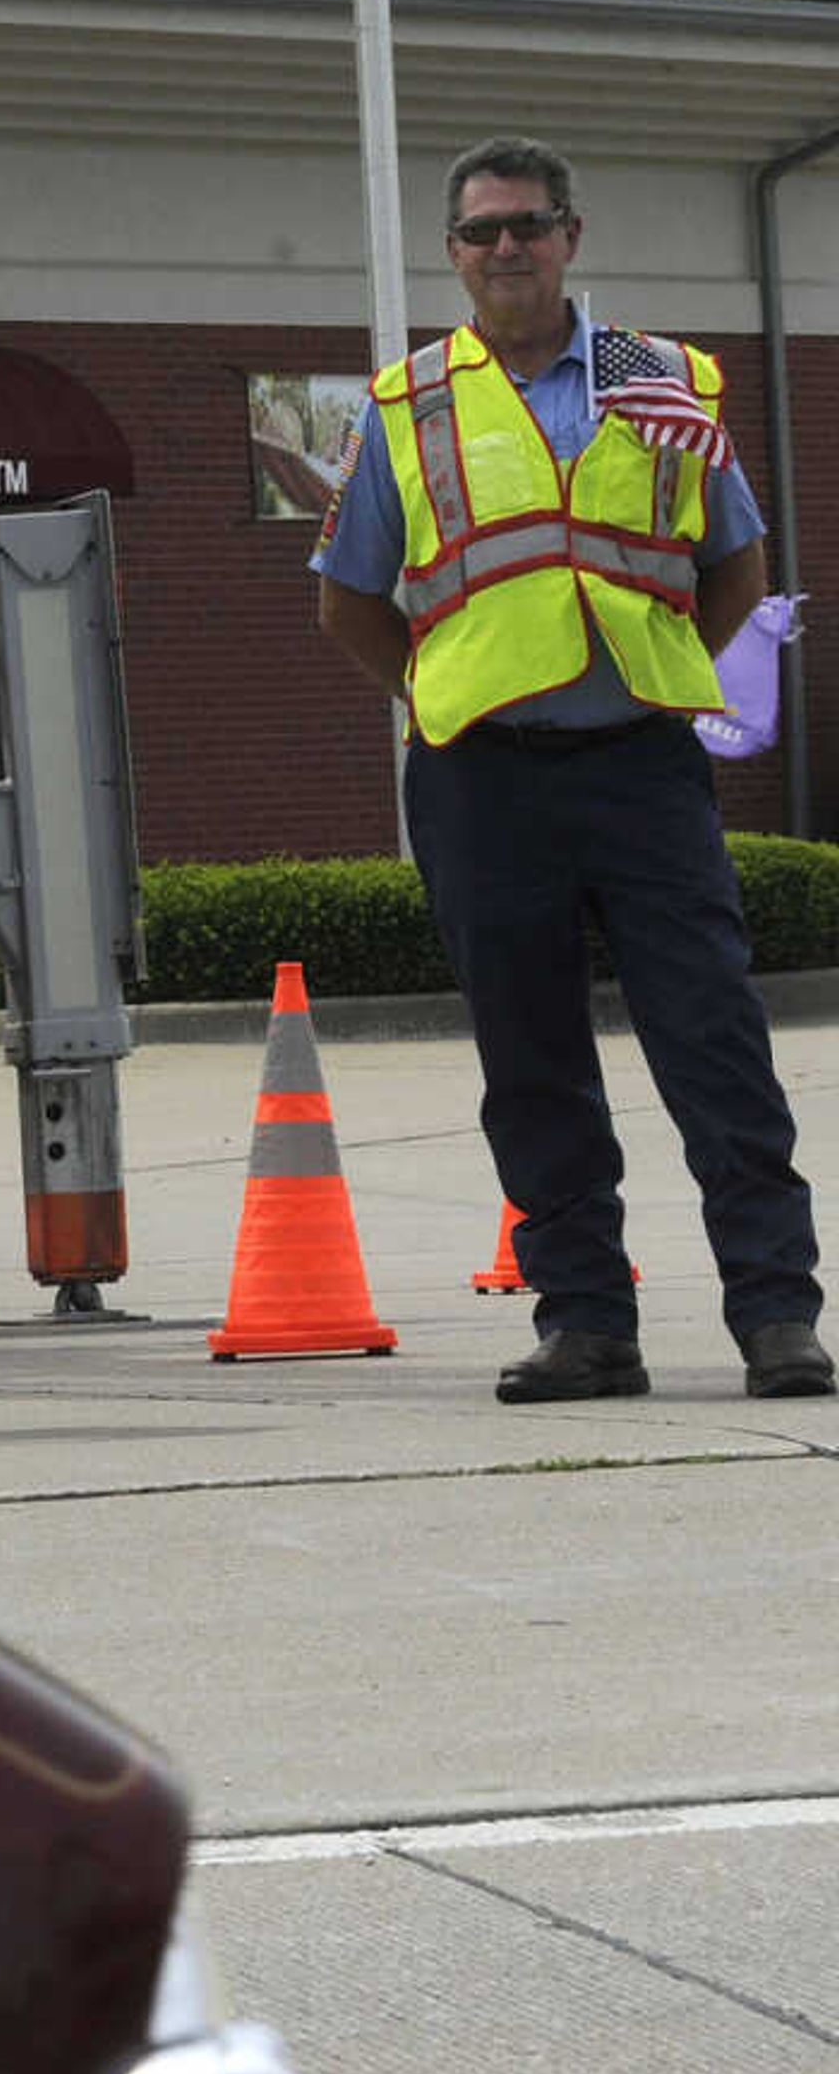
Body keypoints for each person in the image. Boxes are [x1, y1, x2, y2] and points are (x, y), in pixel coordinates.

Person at [313, 135, 828, 1405]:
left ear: (571, 238)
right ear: (454, 252)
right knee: (531, 1060)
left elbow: (736, 563)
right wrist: (443, 694)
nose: (507, 249)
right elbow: (348, 597)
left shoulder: (665, 379)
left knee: (714, 1042)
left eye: (529, 225)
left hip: (642, 766)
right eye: (484, 230)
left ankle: (777, 1320)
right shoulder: (407, 403)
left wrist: (652, 671)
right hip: (483, 777)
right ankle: (588, 1325)